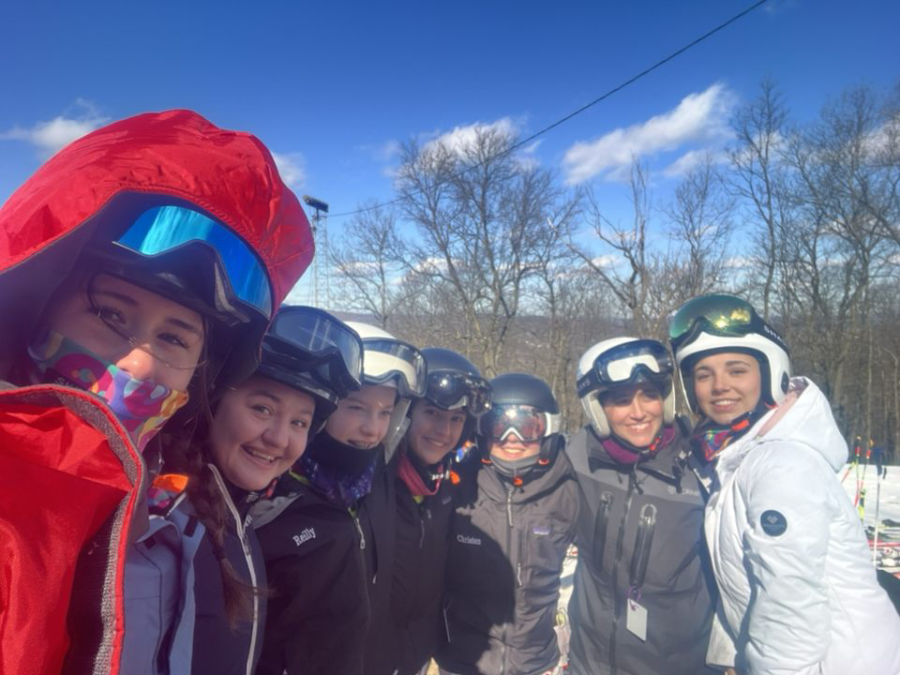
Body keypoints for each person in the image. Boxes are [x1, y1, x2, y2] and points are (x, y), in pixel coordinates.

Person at [0, 110, 313, 675]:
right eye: (110, 313)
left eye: (174, 338)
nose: (140, 361)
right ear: (37, 306)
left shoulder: (179, 504)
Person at [123, 306, 363, 675]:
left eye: (300, 422)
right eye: (262, 408)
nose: (279, 439)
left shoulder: (238, 517)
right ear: (214, 401)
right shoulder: (159, 519)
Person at [670, 293, 900, 675]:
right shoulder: (731, 457)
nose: (719, 386)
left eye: (737, 370)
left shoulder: (780, 465)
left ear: (769, 372)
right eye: (703, 374)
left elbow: (790, 611)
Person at [254, 323, 426, 675]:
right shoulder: (271, 496)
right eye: (356, 408)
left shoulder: (376, 478)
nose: (372, 429)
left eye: (384, 412)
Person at [565, 338, 717, 675]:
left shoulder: (703, 464)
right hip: (589, 664)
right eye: (620, 400)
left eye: (650, 395)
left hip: (678, 665)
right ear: (597, 409)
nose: (639, 412)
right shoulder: (578, 457)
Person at [437, 373, 579, 675]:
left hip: (534, 662)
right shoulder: (458, 484)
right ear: (482, 431)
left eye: (528, 427)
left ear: (547, 430)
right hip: (465, 659)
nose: (512, 438)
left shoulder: (568, 489)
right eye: (498, 425)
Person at [369, 348, 492, 675]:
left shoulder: (447, 485)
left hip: (418, 652)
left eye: (456, 420)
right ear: (405, 413)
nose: (443, 431)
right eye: (433, 413)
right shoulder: (371, 482)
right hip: (366, 655)